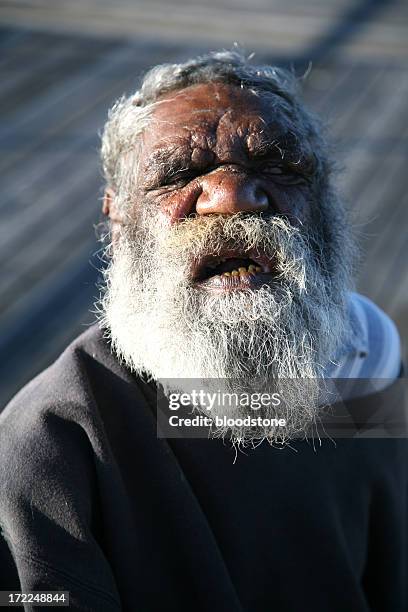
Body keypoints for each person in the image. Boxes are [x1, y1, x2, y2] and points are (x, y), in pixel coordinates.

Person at [0, 50, 406, 611]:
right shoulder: (51, 441)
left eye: (280, 168)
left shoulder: (373, 366)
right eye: (177, 176)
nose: (233, 195)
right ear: (118, 221)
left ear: (324, 208)